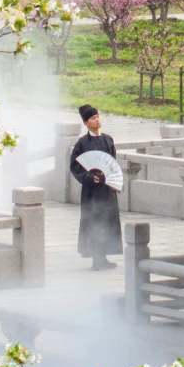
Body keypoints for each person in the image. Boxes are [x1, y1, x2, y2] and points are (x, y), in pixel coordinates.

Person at [70, 104, 122, 271]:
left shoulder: (108, 139)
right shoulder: (82, 144)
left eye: (98, 116)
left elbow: (112, 163)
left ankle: (104, 256)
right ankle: (96, 258)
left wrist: (113, 180)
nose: (97, 119)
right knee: (94, 221)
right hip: (92, 191)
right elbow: (75, 167)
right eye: (93, 118)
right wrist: (89, 177)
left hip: (107, 189)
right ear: (86, 123)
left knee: (107, 221)